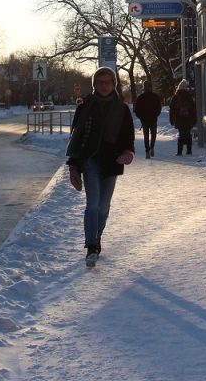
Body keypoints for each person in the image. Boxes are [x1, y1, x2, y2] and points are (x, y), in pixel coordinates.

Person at [65, 66, 135, 267]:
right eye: (100, 82)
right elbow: (76, 138)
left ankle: (97, 237)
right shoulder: (85, 106)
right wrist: (74, 166)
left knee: (104, 207)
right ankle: (91, 246)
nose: (104, 86)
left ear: (113, 84)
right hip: (90, 160)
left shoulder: (121, 109)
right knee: (93, 203)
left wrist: (128, 152)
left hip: (112, 161)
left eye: (108, 82)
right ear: (95, 84)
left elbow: (127, 136)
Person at [133, 81, 162, 159]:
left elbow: (159, 107)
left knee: (153, 135)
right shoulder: (141, 97)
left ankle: (151, 147)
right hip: (145, 120)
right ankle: (147, 151)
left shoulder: (154, 96)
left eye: (148, 86)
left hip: (152, 119)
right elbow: (137, 109)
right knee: (147, 136)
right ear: (144, 87)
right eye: (146, 86)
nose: (147, 88)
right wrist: (141, 117)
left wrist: (155, 115)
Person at [169, 80, 197, 156]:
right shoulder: (189, 96)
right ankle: (189, 150)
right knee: (188, 134)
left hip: (179, 119)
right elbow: (193, 109)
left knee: (181, 134)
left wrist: (171, 119)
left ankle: (179, 151)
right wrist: (194, 119)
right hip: (188, 119)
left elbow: (172, 109)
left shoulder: (175, 97)